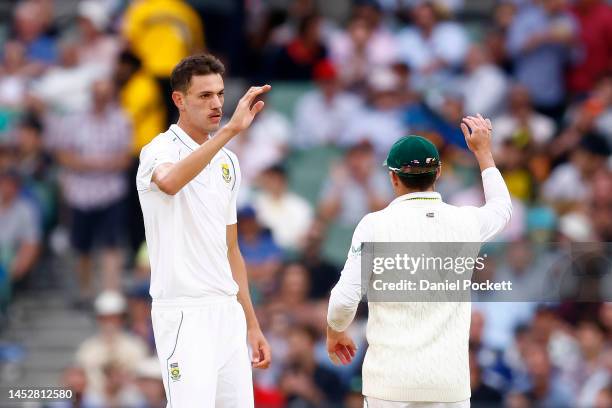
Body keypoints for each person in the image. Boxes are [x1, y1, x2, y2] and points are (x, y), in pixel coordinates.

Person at [326, 114, 512, 406]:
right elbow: (502, 210)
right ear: (438, 174)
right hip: (449, 388)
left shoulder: (374, 225)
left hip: (390, 388)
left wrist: (335, 331)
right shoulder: (466, 222)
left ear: (392, 176)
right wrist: (483, 152)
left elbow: (343, 301)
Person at [136, 53, 271, 407]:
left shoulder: (228, 161)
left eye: (220, 94)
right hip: (183, 311)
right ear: (179, 100)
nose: (216, 104)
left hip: (227, 313)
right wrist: (230, 131)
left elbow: (231, 249)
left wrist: (252, 324)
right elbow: (168, 182)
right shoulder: (159, 149)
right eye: (205, 96)